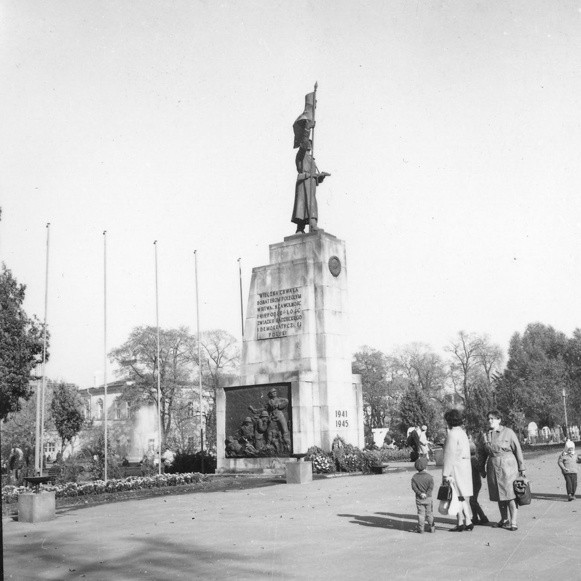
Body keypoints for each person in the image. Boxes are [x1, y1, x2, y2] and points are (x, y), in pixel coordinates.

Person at [479, 410, 525, 531]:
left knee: (510, 495)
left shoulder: (508, 432)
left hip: (508, 466)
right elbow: (482, 453)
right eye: (488, 419)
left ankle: (513, 521)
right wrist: (481, 468)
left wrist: (522, 468)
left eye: (493, 418)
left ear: (499, 419)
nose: (490, 421)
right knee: (499, 494)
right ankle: (504, 519)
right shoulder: (484, 434)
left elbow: (518, 449)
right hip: (493, 466)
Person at [442, 409, 473, 532]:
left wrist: (445, 474)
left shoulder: (452, 434)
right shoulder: (462, 432)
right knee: (463, 495)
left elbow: (449, 455)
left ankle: (460, 522)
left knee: (455, 496)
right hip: (465, 466)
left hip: (455, 468)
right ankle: (468, 520)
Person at [291, 140, 330, 234]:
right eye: (307, 143)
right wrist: (307, 128)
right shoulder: (301, 155)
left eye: (310, 143)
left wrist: (320, 176)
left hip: (311, 184)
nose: (309, 145)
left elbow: (314, 175)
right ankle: (304, 226)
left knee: (310, 202)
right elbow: (302, 148)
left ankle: (304, 227)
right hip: (304, 182)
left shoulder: (311, 159)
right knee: (304, 203)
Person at [411, 456, 436, 533]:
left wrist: (420, 493)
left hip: (419, 498)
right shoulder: (429, 477)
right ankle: (432, 528)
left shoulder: (414, 477)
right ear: (425, 467)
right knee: (429, 513)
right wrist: (426, 494)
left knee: (421, 514)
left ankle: (421, 529)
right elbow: (431, 487)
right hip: (428, 498)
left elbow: (414, 487)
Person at [469, 442, 489, 525]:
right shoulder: (473, 458)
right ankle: (475, 517)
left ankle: (483, 517)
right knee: (472, 500)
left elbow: (479, 468)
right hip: (474, 482)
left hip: (475, 482)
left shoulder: (473, 459)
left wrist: (483, 472)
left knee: (473, 500)